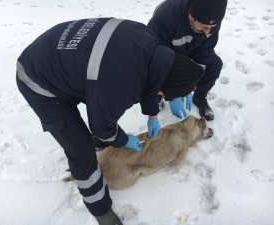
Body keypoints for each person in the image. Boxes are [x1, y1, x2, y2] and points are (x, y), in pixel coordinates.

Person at [16, 18, 204, 225]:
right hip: (37, 78)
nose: (161, 95)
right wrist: (122, 140)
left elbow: (153, 81)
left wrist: (152, 116)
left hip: (60, 54)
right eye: (164, 94)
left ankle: (101, 147)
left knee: (100, 105)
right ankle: (101, 210)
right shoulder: (121, 83)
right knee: (80, 148)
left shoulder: (150, 42)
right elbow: (102, 126)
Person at [148, 0, 228, 120]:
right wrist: (172, 94)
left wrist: (190, 83)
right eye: (204, 26)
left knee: (214, 65)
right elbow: (155, 59)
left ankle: (199, 97)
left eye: (212, 27)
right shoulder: (165, 18)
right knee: (156, 72)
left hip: (192, 50)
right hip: (167, 52)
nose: (208, 31)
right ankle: (158, 97)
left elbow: (204, 54)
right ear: (191, 15)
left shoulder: (211, 22)